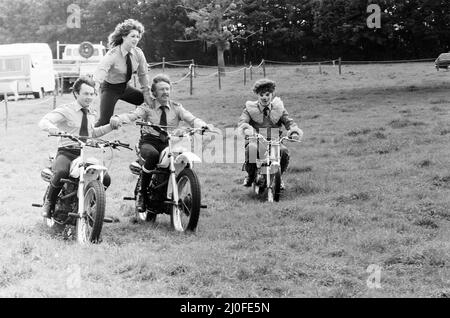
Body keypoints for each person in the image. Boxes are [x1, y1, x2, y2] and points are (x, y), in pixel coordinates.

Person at [110, 73, 215, 212]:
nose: (165, 92)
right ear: (154, 92)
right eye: (161, 89)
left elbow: (191, 118)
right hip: (149, 142)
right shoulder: (148, 106)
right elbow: (132, 115)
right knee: (153, 155)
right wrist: (118, 118)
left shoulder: (177, 107)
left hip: (169, 142)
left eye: (167, 89)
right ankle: (142, 193)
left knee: (184, 159)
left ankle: (180, 190)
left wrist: (203, 125)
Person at [38, 76, 120, 217]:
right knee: (61, 172)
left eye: (92, 94)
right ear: (76, 93)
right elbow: (44, 121)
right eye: (85, 93)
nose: (89, 97)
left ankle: (89, 206)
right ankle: (49, 202)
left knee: (105, 179)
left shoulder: (91, 113)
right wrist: (53, 129)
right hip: (67, 151)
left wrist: (111, 127)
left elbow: (92, 133)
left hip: (85, 152)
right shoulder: (66, 110)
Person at [237, 78, 303, 188]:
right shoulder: (250, 109)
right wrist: (246, 129)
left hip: (274, 141)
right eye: (261, 94)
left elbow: (289, 121)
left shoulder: (278, 108)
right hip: (256, 140)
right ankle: (251, 176)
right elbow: (243, 121)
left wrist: (294, 131)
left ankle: (278, 177)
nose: (264, 97)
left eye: (267, 94)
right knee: (251, 150)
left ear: (272, 94)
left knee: (284, 151)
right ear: (257, 95)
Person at [93, 19, 152, 127]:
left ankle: (149, 130)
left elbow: (143, 74)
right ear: (124, 37)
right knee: (104, 122)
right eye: (132, 36)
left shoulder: (138, 53)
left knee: (151, 103)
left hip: (125, 88)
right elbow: (101, 70)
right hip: (110, 89)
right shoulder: (113, 54)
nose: (136, 39)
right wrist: (95, 87)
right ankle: (84, 138)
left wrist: (147, 93)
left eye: (138, 37)